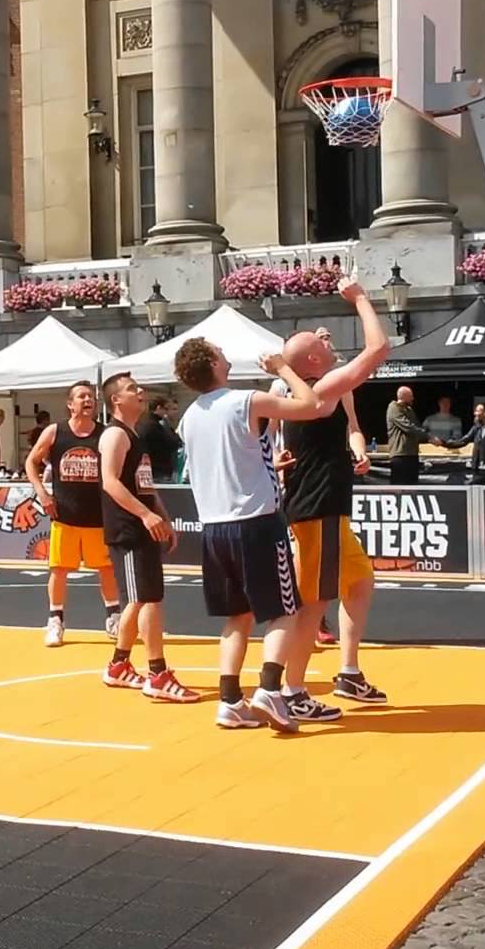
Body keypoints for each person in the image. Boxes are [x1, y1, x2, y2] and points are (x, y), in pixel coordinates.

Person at [176, 330, 340, 732]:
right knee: (285, 610)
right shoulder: (244, 400)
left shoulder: (189, 417)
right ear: (212, 363)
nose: (226, 354)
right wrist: (283, 368)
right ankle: (270, 687)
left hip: (214, 528)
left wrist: (267, 466)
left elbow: (229, 459)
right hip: (255, 522)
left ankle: (230, 700)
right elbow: (313, 404)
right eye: (220, 350)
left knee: (237, 616)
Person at [269, 288, 393, 719]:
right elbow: (378, 348)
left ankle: (348, 671)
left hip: (325, 506)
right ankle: (293, 690)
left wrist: (356, 449)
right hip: (316, 508)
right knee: (315, 602)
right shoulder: (323, 388)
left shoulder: (311, 391)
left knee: (359, 581)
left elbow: (348, 424)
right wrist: (358, 298)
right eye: (321, 342)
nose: (327, 338)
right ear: (316, 363)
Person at [96, 372, 197, 703]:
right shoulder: (114, 435)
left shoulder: (134, 435)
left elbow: (144, 483)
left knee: (143, 598)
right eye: (131, 389)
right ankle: (158, 673)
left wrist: (162, 515)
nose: (140, 392)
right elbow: (110, 482)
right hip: (127, 528)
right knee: (147, 599)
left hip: (142, 525)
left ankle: (119, 665)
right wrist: (145, 514)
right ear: (116, 400)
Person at [26, 382, 123, 647]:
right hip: (65, 515)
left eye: (91, 396)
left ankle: (114, 616)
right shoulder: (56, 432)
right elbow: (31, 462)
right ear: (70, 404)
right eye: (81, 396)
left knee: (106, 569)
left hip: (98, 516)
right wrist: (42, 493)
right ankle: (55, 619)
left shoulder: (106, 434)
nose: (87, 400)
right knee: (59, 569)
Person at [447, 403, 485, 485]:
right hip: (478, 469)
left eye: (478, 411)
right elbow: (464, 440)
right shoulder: (477, 428)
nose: (475, 413)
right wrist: (446, 444)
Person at [385, 387, 428, 485]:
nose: (412, 398)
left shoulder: (409, 410)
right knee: (399, 486)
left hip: (412, 454)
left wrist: (427, 436)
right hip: (400, 454)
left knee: (412, 485)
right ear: (403, 396)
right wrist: (429, 437)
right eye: (410, 396)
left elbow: (417, 427)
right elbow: (408, 427)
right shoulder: (393, 408)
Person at [137, 397, 184, 484]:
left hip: (146, 469)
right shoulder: (155, 425)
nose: (166, 412)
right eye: (165, 409)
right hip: (159, 470)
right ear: (158, 408)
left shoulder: (142, 423)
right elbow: (172, 443)